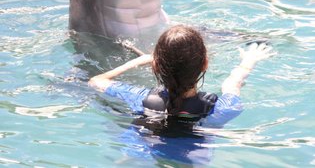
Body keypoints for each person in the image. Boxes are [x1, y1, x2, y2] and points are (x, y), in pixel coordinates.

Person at [88, 25, 275, 128]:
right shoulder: (223, 109)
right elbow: (234, 82)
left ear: (156, 65)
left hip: (136, 155)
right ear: (205, 64)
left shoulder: (138, 97)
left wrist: (135, 62)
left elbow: (96, 81)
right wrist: (249, 61)